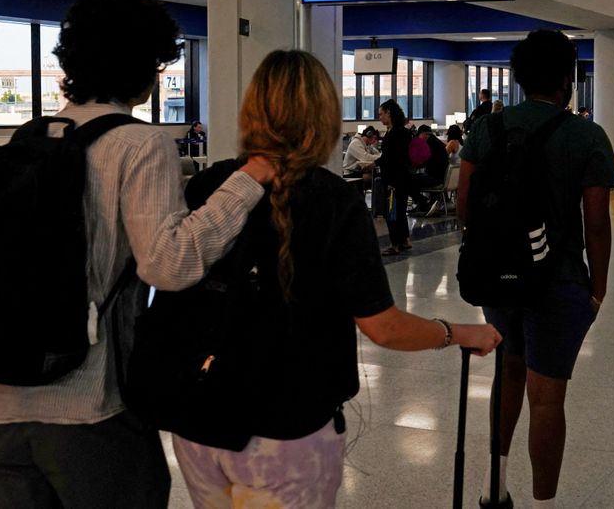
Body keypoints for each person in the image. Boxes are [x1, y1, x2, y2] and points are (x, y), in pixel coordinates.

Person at [0, 0, 274, 509]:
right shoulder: (139, 143)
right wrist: (247, 182)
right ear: (142, 64)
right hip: (87, 407)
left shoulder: (31, 138)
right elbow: (170, 263)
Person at [172, 50, 502, 508]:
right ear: (322, 117)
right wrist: (456, 331)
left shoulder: (208, 186)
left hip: (199, 419)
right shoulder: (331, 201)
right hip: (288, 425)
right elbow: (381, 326)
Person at [458, 30, 614, 508]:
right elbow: (597, 224)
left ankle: (494, 486)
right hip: (559, 281)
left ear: (518, 76)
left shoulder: (487, 129)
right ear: (568, 79)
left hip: (498, 279)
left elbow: (464, 208)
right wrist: (598, 288)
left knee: (507, 375)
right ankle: (544, 505)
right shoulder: (586, 135)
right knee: (546, 398)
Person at [378, 99, 412, 256]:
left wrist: (374, 163)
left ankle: (395, 244)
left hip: (393, 179)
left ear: (388, 113)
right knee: (401, 209)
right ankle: (404, 240)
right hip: (404, 177)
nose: (380, 117)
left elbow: (390, 157)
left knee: (392, 211)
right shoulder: (404, 132)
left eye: (381, 114)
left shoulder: (394, 134)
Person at [410, 125, 449, 216]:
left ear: (423, 134)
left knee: (409, 181)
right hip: (441, 177)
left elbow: (422, 160)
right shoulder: (437, 142)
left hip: (435, 178)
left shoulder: (430, 143)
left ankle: (424, 203)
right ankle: (423, 203)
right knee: (414, 179)